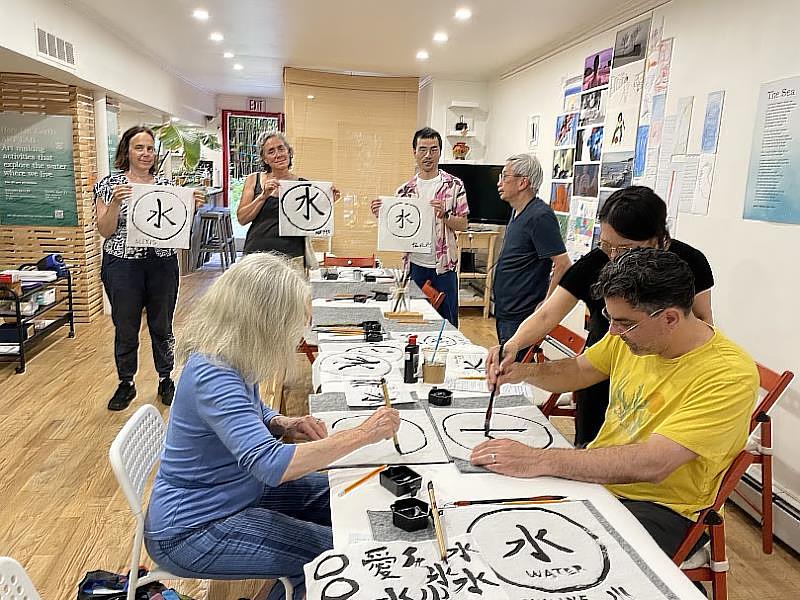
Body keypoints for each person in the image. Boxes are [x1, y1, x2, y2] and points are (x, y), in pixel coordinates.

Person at [143, 253, 400, 600]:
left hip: (235, 492)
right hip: (191, 529)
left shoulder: (230, 352)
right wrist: (363, 434)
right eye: (292, 323)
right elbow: (271, 465)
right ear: (262, 319)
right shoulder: (213, 372)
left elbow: (250, 409)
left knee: (345, 495)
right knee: (330, 555)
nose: (297, 334)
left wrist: (280, 421)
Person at [473, 249, 758, 559]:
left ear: (670, 318)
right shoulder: (630, 334)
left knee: (551, 558)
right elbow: (580, 370)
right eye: (610, 318)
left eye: (623, 323)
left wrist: (539, 459)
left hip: (661, 507)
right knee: (491, 519)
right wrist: (522, 373)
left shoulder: (729, 374)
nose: (612, 331)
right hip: (601, 482)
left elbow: (654, 463)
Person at [487, 186, 714, 446]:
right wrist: (514, 344)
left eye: (625, 248)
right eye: (606, 245)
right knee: (594, 445)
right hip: (602, 368)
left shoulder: (689, 263)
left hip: (665, 380)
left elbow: (702, 321)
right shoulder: (597, 265)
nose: (614, 258)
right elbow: (547, 314)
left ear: (658, 239)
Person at [94, 125, 205, 411]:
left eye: (149, 148)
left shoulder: (167, 187)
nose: (145, 153)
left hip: (162, 264)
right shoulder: (110, 185)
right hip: (122, 264)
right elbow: (105, 231)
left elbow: (178, 229)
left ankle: (166, 378)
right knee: (126, 325)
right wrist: (116, 203)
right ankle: (126, 382)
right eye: (139, 147)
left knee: (162, 324)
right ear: (126, 151)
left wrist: (191, 207)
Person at [370, 127, 469, 325]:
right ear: (414, 152)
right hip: (414, 266)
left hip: (444, 267)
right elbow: (398, 230)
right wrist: (382, 214)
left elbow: (463, 224)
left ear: (440, 151)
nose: (428, 155)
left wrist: (445, 215)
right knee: (413, 321)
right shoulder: (404, 190)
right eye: (422, 149)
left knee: (446, 323)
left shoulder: (454, 185)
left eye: (433, 149)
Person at [492, 153, 570, 360]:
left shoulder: (540, 216)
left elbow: (563, 264)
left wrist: (546, 303)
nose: (499, 182)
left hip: (522, 313)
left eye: (504, 176)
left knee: (514, 373)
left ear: (522, 182)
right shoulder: (517, 212)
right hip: (506, 309)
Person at [236, 131, 340, 266]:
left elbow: (311, 223)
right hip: (257, 254)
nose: (278, 154)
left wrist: (328, 202)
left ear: (289, 152)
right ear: (265, 159)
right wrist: (263, 196)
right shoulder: (254, 180)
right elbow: (242, 219)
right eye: (271, 151)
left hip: (292, 256)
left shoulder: (304, 185)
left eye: (281, 148)